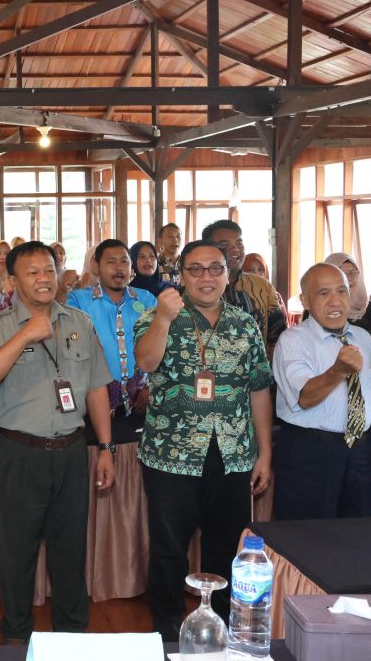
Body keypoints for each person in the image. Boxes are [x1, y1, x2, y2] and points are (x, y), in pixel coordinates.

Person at [0, 241, 114, 642]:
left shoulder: (80, 323)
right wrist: (25, 335)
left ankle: (72, 635)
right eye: (32, 272)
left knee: (71, 551)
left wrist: (105, 448)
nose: (43, 279)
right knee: (17, 553)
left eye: (49, 270)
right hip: (19, 453)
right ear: (13, 281)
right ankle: (16, 637)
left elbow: (97, 389)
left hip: (71, 452)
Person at [133, 240, 272, 641]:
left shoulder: (244, 324)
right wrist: (162, 318)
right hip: (171, 456)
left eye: (215, 268)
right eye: (195, 269)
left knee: (226, 548)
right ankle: (166, 625)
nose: (206, 277)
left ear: (228, 275)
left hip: (232, 456)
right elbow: (145, 362)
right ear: (182, 275)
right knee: (169, 549)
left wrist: (265, 454)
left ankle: (222, 625)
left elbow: (259, 389)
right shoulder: (157, 314)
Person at [272, 263, 371, 521]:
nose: (335, 301)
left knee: (357, 535)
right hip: (310, 451)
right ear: (305, 300)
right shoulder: (293, 341)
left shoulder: (363, 338)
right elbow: (305, 397)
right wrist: (338, 370)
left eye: (342, 291)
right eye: (323, 293)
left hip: (360, 449)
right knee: (308, 538)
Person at [67, 239, 156, 442]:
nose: (119, 268)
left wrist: (153, 387)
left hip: (141, 406)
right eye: (111, 262)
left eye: (124, 262)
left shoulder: (148, 300)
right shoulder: (78, 300)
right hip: (93, 408)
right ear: (96, 266)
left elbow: (166, 348)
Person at [202, 219, 287, 355]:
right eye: (225, 244)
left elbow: (277, 334)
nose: (235, 249)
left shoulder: (263, 287)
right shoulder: (198, 288)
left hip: (256, 370)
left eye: (239, 243)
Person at [322, 252, 371, 396]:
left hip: (368, 390)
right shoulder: (318, 309)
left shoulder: (369, 309)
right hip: (329, 389)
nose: (347, 278)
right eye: (341, 272)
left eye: (353, 272)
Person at [242, 253, 290, 322]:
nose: (256, 274)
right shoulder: (237, 296)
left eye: (260, 270)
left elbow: (282, 326)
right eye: (250, 270)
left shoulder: (275, 296)